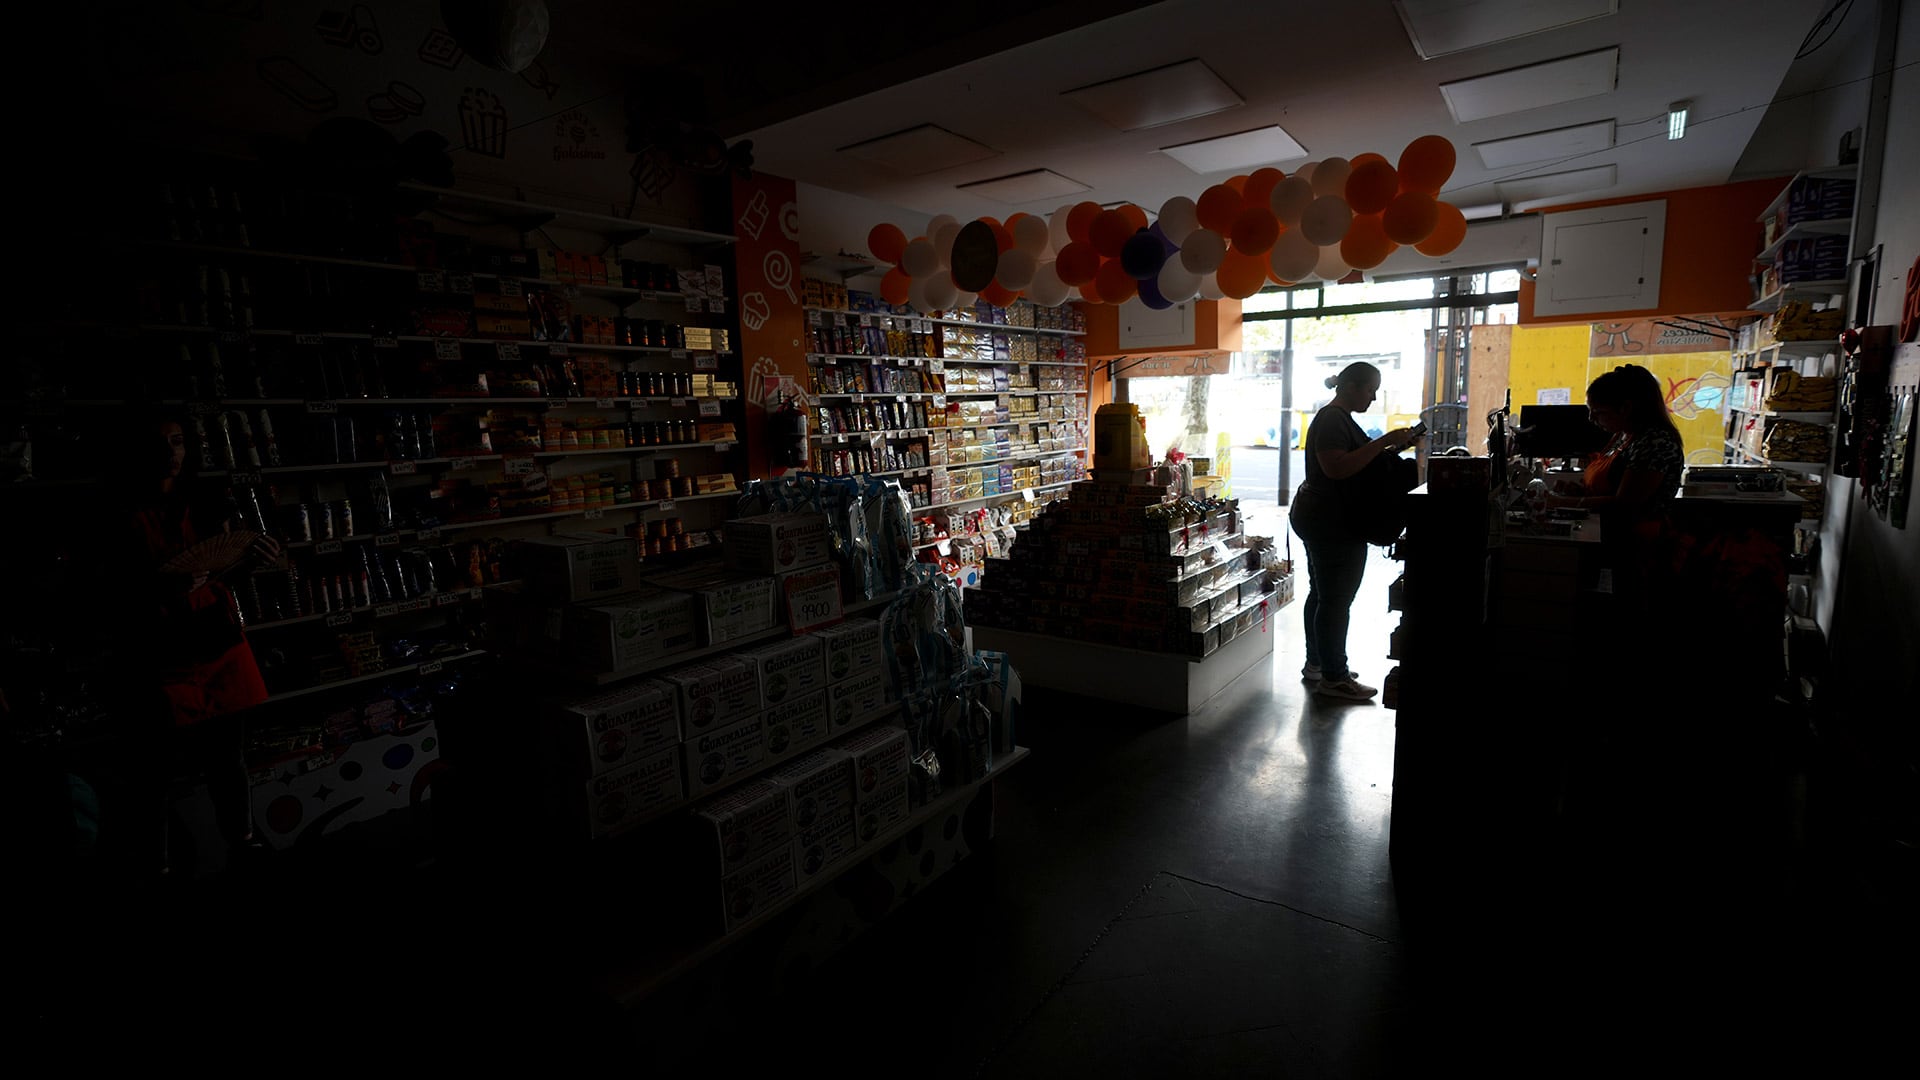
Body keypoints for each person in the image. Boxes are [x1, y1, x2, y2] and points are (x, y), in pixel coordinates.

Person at [1288, 362, 1420, 702]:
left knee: (1321, 594)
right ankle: (1334, 676)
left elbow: (1354, 462)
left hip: (1319, 516)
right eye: (1369, 390)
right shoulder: (1333, 419)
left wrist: (1392, 447)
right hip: (1332, 522)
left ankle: (1319, 663)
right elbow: (1336, 468)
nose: (1374, 398)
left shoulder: (1338, 418)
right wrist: (1384, 442)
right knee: (1335, 601)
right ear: (1349, 387)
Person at [1546, 364, 1684, 606]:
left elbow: (1625, 504)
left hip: (1635, 547)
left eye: (1598, 412)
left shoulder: (1655, 442)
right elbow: (1610, 486)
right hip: (1611, 539)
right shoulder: (1624, 435)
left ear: (1626, 408)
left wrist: (1565, 502)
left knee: (1624, 607)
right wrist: (1579, 492)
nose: (1592, 419)